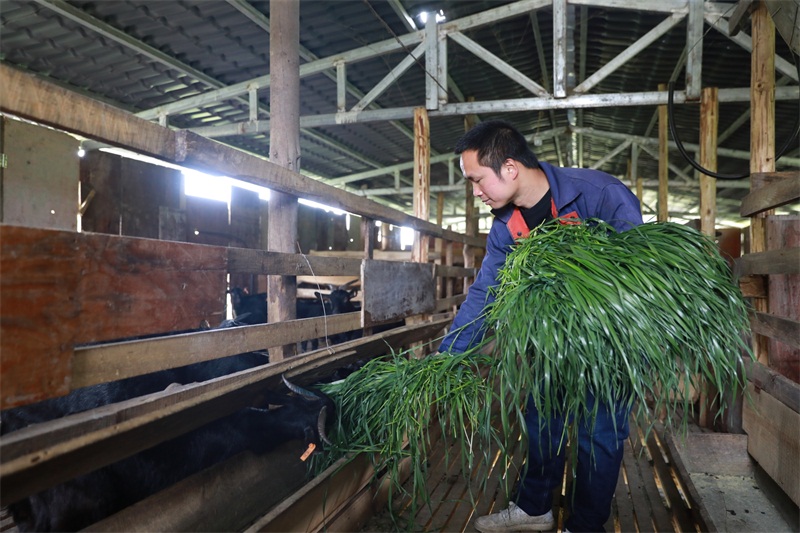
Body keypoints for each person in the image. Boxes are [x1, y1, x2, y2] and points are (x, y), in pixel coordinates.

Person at [437, 120, 643, 533]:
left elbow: (640, 274)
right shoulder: (504, 227)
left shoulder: (600, 195)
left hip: (608, 345)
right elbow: (485, 294)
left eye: (477, 180)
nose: (475, 192)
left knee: (598, 434)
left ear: (509, 168)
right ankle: (535, 509)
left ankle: (585, 526)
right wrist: (446, 358)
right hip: (550, 346)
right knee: (541, 419)